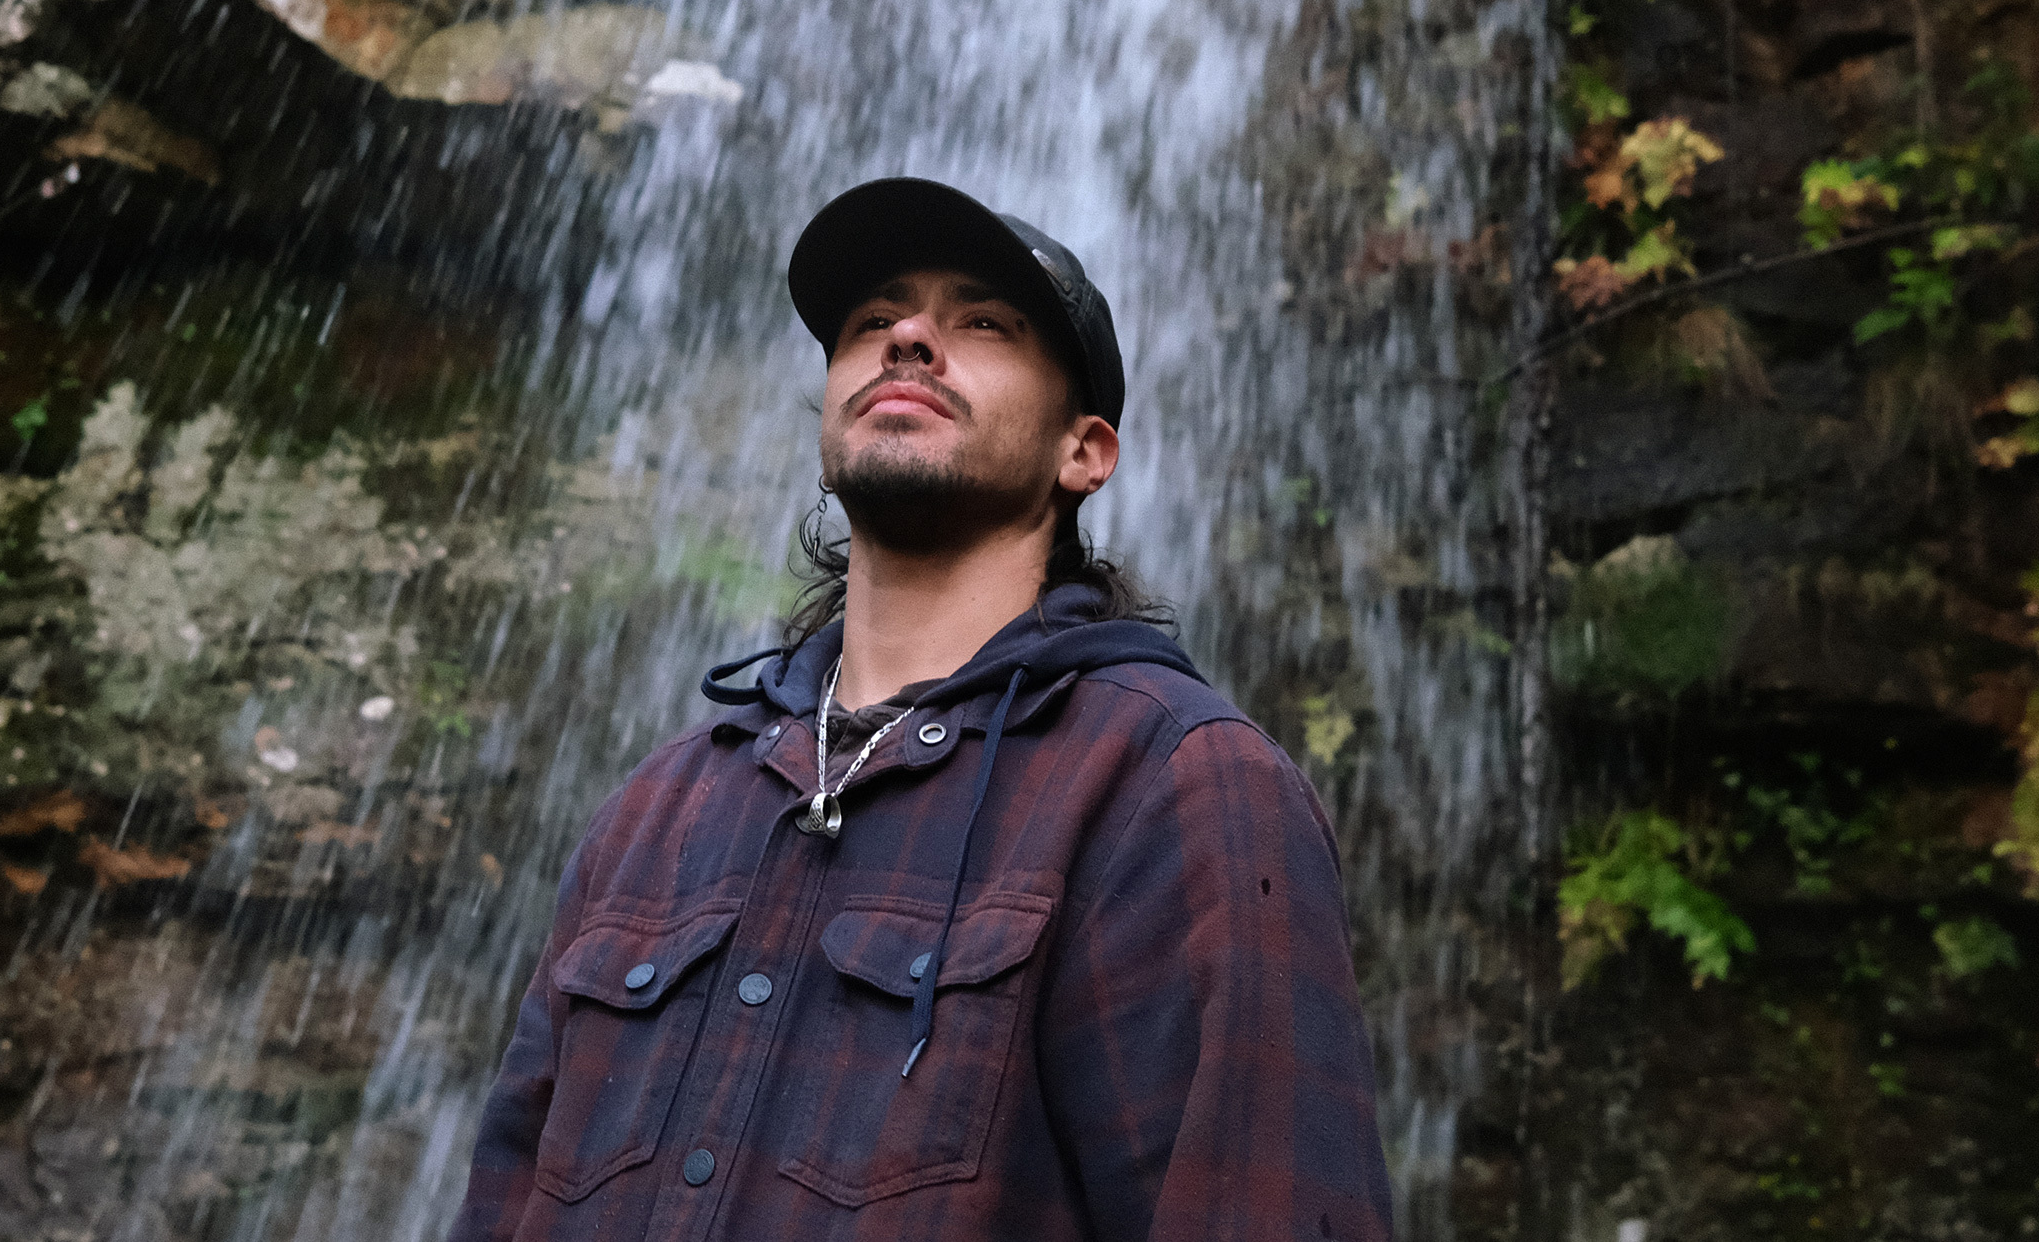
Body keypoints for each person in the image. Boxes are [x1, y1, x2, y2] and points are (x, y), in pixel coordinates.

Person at [447, 178, 1394, 1242]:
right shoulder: (658, 809)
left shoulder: (1176, 785)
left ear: (1084, 452)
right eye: (871, 321)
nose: (906, 337)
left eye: (981, 322)